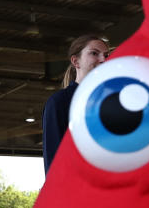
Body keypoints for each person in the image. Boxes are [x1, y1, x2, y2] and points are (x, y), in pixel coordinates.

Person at [42, 34, 109, 173]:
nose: (103, 59)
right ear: (76, 61)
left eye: (106, 55)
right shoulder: (60, 102)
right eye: (94, 53)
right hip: (77, 189)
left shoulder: (111, 101)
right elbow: (54, 158)